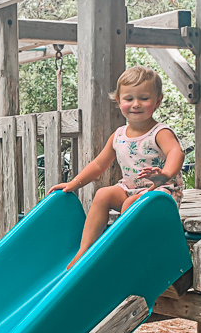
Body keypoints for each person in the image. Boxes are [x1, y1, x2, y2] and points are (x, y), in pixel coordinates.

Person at [49, 66, 184, 269]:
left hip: (162, 192)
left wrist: (165, 175)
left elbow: (176, 153)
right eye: (129, 98)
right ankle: (84, 250)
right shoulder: (119, 135)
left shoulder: (160, 132)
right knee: (103, 194)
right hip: (130, 189)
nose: (135, 104)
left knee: (130, 203)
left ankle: (122, 249)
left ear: (157, 101)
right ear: (119, 101)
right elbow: (98, 164)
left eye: (144, 98)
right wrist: (74, 183)